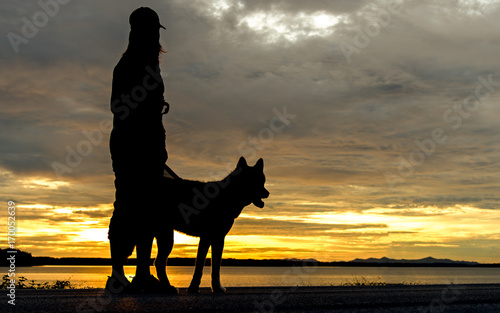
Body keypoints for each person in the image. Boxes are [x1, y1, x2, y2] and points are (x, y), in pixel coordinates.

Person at [106, 7, 169, 294]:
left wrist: (157, 107)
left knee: (148, 207)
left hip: (148, 143)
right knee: (130, 205)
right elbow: (118, 107)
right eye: (154, 31)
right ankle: (120, 274)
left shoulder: (148, 65)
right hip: (133, 146)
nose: (157, 36)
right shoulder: (130, 64)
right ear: (144, 33)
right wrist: (145, 111)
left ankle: (140, 274)